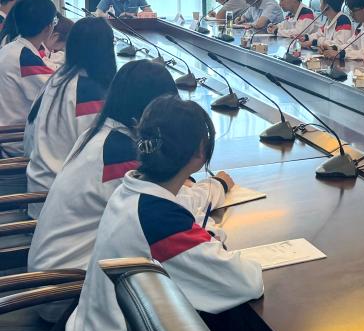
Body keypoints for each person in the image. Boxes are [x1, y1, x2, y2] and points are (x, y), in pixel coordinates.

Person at [61, 95, 262, 331]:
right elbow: (245, 281)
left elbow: (184, 204)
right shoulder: (160, 220)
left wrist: (211, 202)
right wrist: (213, 239)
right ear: (200, 152)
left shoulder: (131, 190)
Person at [28, 60, 233, 277]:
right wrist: (217, 186)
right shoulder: (121, 155)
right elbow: (174, 209)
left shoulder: (102, 134)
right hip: (68, 280)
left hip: (58, 265)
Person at [22, 18, 116, 206]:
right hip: (57, 196)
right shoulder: (86, 93)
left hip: (41, 183)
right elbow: (99, 154)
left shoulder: (60, 78)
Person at [0, 0, 56, 126]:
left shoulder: (11, 48)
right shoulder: (24, 58)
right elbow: (56, 91)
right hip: (15, 133)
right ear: (48, 27)